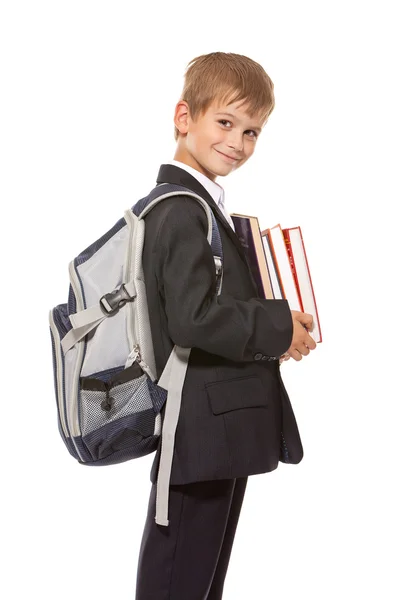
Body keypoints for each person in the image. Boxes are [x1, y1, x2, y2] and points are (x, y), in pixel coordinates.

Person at [135, 51, 316, 600]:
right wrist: (277, 326)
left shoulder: (200, 207)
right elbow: (192, 320)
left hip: (216, 431)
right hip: (198, 432)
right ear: (184, 117)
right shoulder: (178, 209)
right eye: (226, 122)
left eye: (252, 131)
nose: (238, 143)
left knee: (200, 584)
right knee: (179, 583)